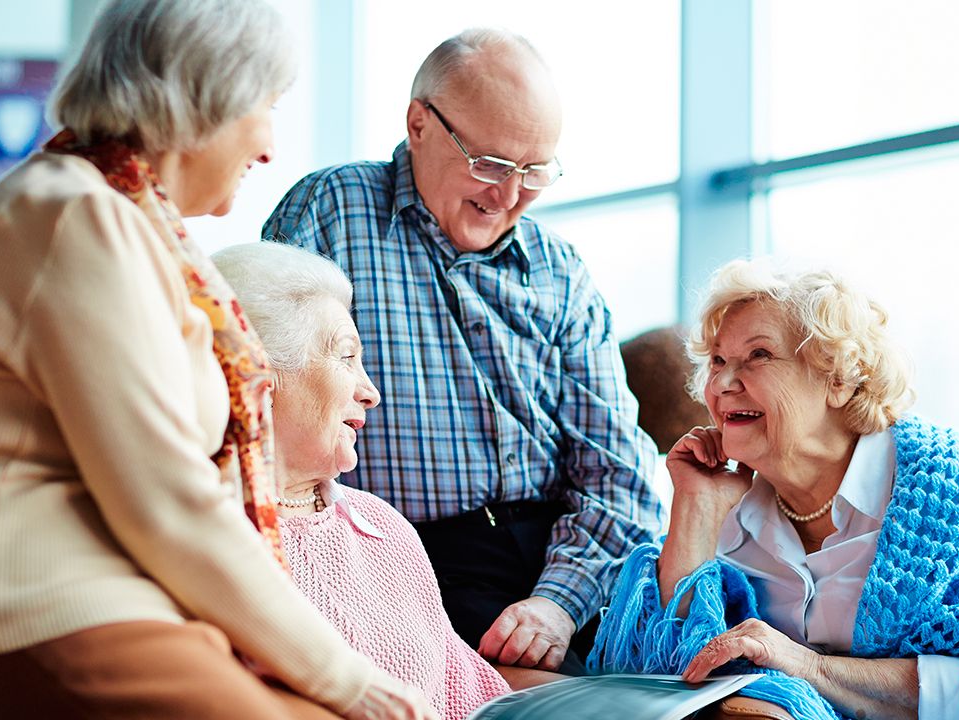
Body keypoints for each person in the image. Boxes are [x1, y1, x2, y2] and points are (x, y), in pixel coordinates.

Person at [0, 2, 435, 718]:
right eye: (266, 106)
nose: (267, 145)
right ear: (206, 98)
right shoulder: (73, 214)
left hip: (100, 598)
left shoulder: (130, 227)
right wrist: (350, 678)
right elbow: (166, 500)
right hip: (27, 601)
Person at [589, 260, 959, 720]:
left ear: (838, 378)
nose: (723, 382)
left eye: (757, 355)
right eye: (716, 361)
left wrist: (810, 669)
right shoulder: (725, 499)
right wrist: (694, 507)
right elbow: (656, 678)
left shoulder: (952, 481)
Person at [262, 28, 663, 674]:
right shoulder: (333, 209)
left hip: (559, 566)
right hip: (395, 560)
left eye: (534, 172)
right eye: (492, 164)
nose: (509, 196)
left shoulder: (560, 270)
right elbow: (268, 402)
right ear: (419, 124)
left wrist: (557, 605)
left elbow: (621, 477)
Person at [212, 241, 536, 719]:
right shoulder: (203, 539)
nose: (371, 393)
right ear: (260, 372)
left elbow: (468, 691)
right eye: (346, 357)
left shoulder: (382, 526)